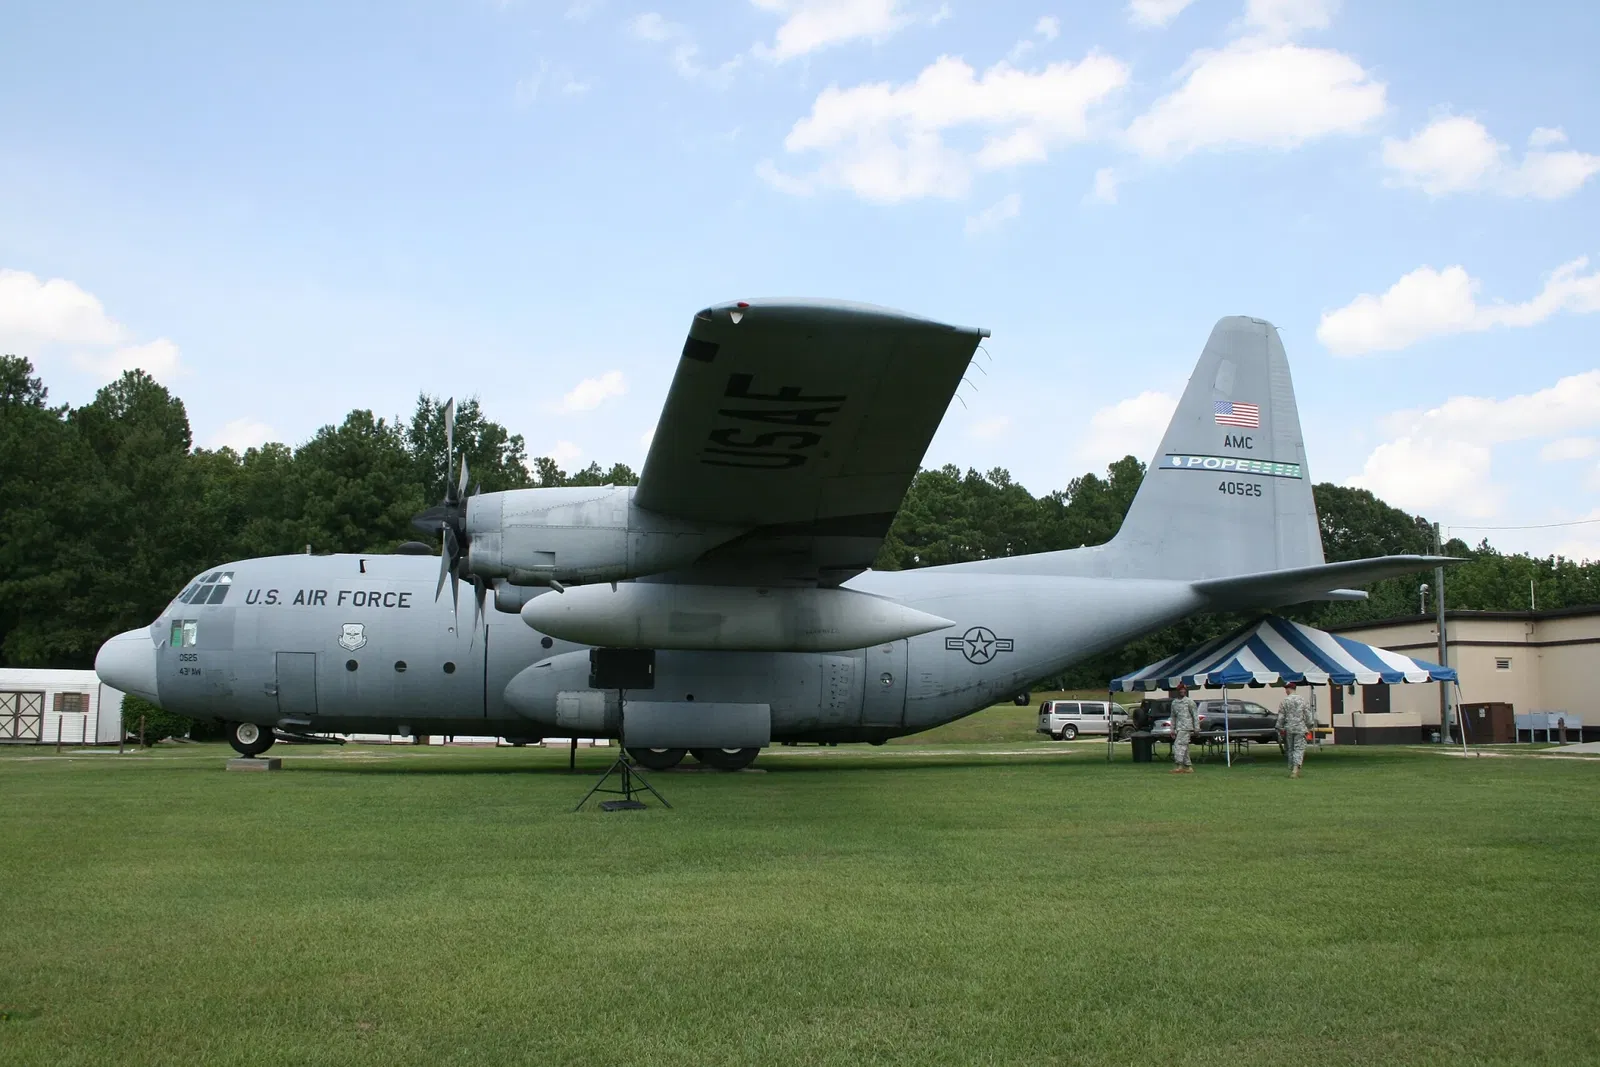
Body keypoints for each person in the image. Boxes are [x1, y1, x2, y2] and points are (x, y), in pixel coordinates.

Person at [1276, 681, 1315, 778]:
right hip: (1300, 728)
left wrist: (1279, 727)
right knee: (1299, 748)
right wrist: (1309, 726)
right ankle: (1295, 769)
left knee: (1290, 749)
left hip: (1289, 728)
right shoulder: (1302, 700)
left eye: (1286, 689)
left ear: (1289, 689)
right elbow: (1308, 715)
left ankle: (1293, 768)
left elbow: (1281, 716)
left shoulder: (1285, 701)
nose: (1285, 691)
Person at [1169, 683, 1197, 774]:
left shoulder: (1189, 702)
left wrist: (1197, 728)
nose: (1182, 691)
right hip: (1179, 727)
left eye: (1184, 690)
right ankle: (1189, 767)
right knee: (1184, 747)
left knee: (1178, 745)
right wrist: (1172, 729)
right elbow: (1173, 717)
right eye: (1180, 690)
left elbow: (1195, 715)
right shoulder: (1174, 703)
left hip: (1186, 727)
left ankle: (1179, 765)